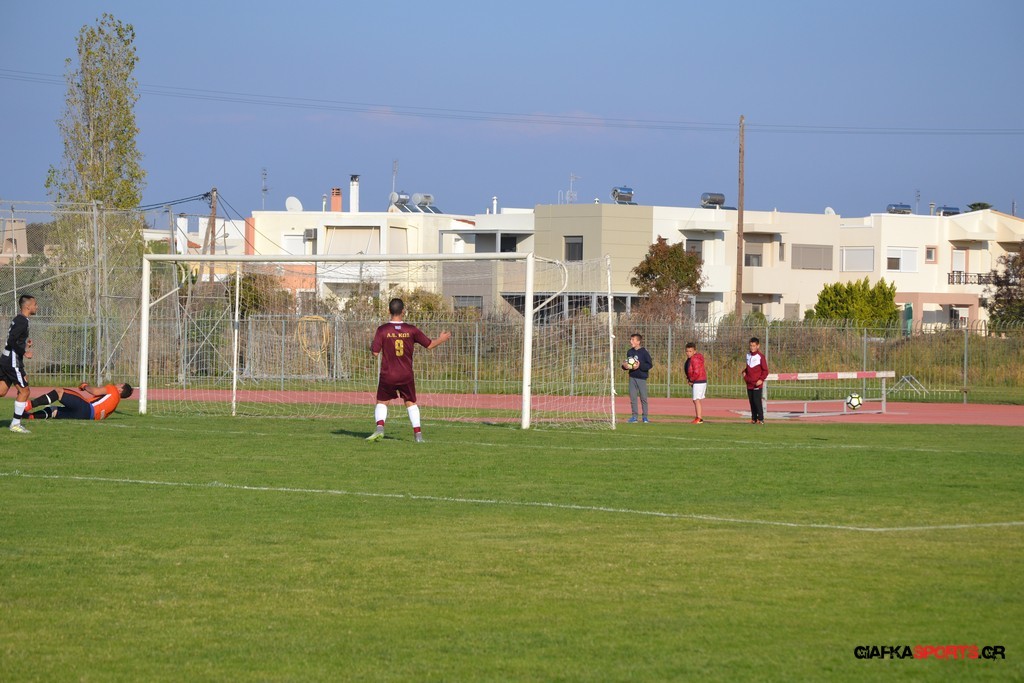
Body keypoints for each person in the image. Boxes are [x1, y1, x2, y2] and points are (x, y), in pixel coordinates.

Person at [366, 298, 451, 443]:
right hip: (406, 374)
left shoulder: (382, 330)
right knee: (410, 402)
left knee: (382, 401)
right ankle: (418, 436)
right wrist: (441, 339)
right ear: (403, 311)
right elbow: (430, 345)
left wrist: (371, 345)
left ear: (389, 311)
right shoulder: (411, 330)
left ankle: (380, 429)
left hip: (388, 374)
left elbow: (375, 353)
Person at [2, 294, 38, 433]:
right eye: (35, 304)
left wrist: (25, 345)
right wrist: (24, 352)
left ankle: (16, 424)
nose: (36, 307)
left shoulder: (20, 319)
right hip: (12, 361)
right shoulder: (22, 321)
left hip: (7, 359)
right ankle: (15, 424)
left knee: (2, 391)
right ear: (27, 306)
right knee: (24, 391)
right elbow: (11, 340)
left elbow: (14, 340)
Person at [28, 382, 133, 421]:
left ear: (121, 389)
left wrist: (85, 386)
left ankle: (28, 405)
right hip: (87, 417)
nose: (117, 384)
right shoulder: (115, 404)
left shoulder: (113, 390)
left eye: (120, 384)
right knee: (54, 411)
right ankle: (29, 416)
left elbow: (95, 391)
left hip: (87, 408)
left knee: (59, 392)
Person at [621, 333, 653, 423]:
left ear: (638, 342)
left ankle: (645, 417)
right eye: (630, 339)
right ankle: (634, 417)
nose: (630, 341)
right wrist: (624, 366)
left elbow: (649, 365)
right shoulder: (630, 352)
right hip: (632, 377)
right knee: (633, 398)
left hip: (641, 378)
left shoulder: (644, 352)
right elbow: (627, 363)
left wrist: (640, 366)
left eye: (633, 340)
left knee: (643, 398)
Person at [742, 336, 769, 424]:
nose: (752, 347)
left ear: (758, 346)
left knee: (757, 401)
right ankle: (754, 418)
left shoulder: (761, 357)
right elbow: (748, 368)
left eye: (754, 346)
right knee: (752, 402)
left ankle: (761, 419)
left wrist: (761, 379)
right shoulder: (748, 355)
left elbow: (765, 370)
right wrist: (744, 373)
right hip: (749, 383)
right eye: (751, 345)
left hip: (757, 383)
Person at [684, 341, 707, 424]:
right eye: (687, 351)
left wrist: (691, 380)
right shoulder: (691, 359)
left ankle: (699, 418)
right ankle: (698, 417)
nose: (688, 353)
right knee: (696, 400)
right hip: (698, 381)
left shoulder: (694, 359)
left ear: (694, 351)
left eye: (690, 351)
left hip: (698, 381)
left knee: (696, 400)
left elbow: (696, 372)